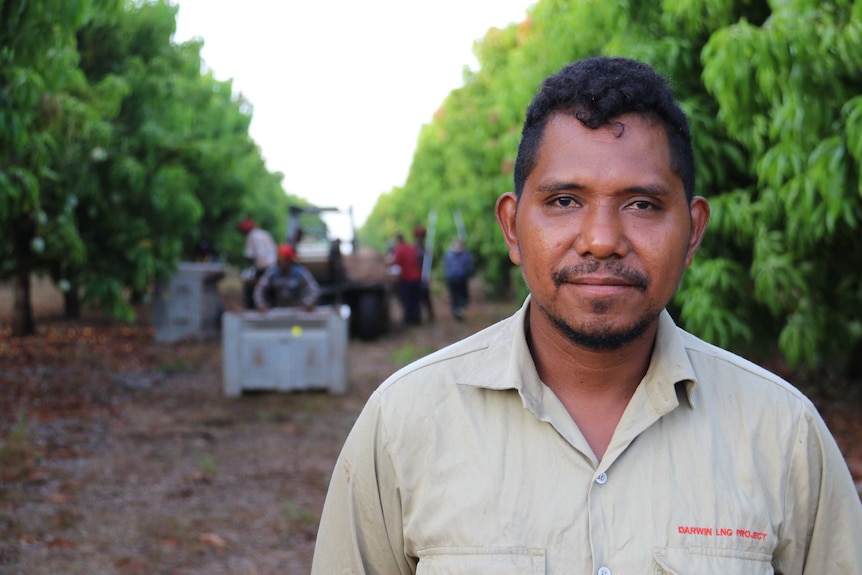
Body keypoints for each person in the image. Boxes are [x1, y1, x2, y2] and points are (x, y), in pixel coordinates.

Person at [311, 56, 862, 573]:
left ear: (693, 231)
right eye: (564, 202)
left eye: (642, 204)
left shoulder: (783, 434)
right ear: (511, 226)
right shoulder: (403, 423)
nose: (601, 241)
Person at [253, 244, 320, 312]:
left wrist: (308, 302)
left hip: (299, 310)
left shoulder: (300, 272)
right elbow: (259, 289)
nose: (283, 263)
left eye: (285, 260)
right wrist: (261, 304)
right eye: (280, 260)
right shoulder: (272, 272)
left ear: (290, 261)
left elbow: (314, 289)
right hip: (278, 310)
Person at [237, 218, 277, 309]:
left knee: (253, 290)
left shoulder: (251, 236)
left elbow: (250, 255)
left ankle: (254, 308)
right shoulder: (265, 233)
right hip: (274, 267)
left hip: (262, 269)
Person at [389, 232, 422, 326]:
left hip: (407, 279)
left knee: (407, 300)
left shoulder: (399, 249)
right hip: (416, 278)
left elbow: (395, 262)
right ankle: (417, 319)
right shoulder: (411, 247)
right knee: (415, 299)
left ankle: (408, 320)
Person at [443, 236, 474, 321]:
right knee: (457, 296)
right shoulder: (459, 255)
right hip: (455, 278)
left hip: (459, 278)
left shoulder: (461, 255)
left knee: (460, 296)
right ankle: (457, 310)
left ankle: (458, 309)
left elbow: (468, 266)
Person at [413, 225, 435, 323]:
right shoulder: (413, 248)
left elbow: (428, 263)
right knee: (417, 298)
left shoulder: (425, 249)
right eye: (419, 236)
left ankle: (430, 315)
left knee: (426, 296)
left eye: (422, 236)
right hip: (415, 277)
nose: (420, 238)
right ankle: (417, 316)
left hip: (424, 276)